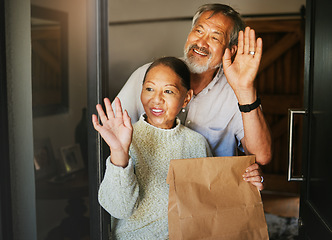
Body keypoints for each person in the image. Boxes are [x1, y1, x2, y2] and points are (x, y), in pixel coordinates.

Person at [114, 3, 272, 189]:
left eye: (215, 37)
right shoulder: (147, 76)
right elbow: (114, 135)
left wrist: (245, 89)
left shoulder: (236, 91)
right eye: (199, 31)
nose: (201, 43)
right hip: (146, 192)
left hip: (207, 199)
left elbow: (262, 156)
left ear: (231, 49)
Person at [92, 57, 213, 239]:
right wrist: (119, 152)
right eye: (149, 89)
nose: (156, 99)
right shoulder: (126, 139)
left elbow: (209, 205)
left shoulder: (197, 144)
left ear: (186, 98)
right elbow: (119, 209)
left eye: (168, 91)